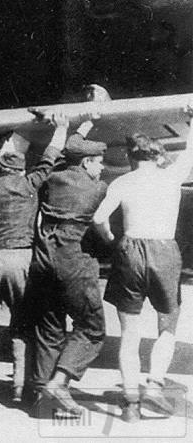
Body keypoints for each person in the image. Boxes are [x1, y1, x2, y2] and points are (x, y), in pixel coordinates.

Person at [92, 104, 193, 422]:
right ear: (157, 156)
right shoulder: (172, 176)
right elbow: (191, 153)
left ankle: (131, 404)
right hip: (164, 250)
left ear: (131, 157)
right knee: (167, 326)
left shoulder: (122, 183)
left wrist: (110, 237)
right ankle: (154, 385)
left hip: (130, 251)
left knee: (129, 333)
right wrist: (192, 122)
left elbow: (99, 218)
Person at [0, 113, 69, 416]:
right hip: (20, 257)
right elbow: (50, 157)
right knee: (25, 324)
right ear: (21, 168)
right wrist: (62, 127)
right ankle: (21, 387)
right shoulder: (29, 184)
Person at [24, 116, 108, 418]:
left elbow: (64, 153)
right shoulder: (98, 189)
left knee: (49, 327)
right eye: (99, 162)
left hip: (43, 259)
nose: (102, 168)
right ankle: (59, 384)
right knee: (92, 329)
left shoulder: (52, 179)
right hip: (74, 261)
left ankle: (41, 399)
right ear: (86, 163)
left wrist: (83, 125)